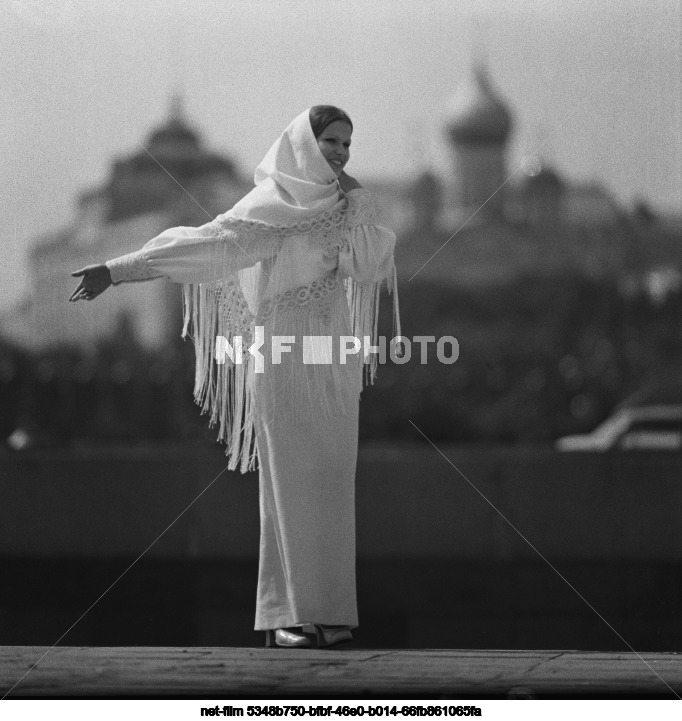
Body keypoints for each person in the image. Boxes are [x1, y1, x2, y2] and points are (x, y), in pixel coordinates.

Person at [70, 105, 400, 648]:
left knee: (333, 486)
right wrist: (118, 269)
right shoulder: (267, 208)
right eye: (330, 143)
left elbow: (368, 263)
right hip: (284, 364)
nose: (340, 154)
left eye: (346, 144)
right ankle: (290, 618)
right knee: (288, 486)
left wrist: (358, 194)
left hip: (334, 365)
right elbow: (207, 245)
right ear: (303, 146)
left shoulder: (349, 211)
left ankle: (331, 612)